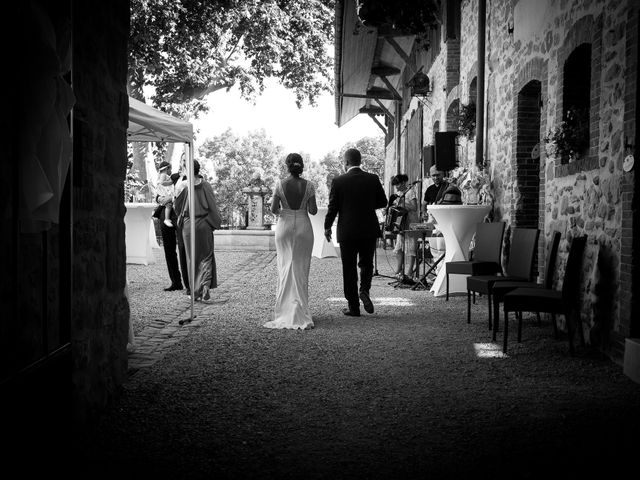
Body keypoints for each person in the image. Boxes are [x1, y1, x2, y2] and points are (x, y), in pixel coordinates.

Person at [324, 148, 388, 316]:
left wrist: (327, 226)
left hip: (348, 230)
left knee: (349, 267)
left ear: (346, 162)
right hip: (369, 228)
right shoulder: (372, 179)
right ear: (360, 161)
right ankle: (364, 290)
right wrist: (366, 204)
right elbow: (383, 201)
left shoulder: (338, 181)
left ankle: (353, 307)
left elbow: (333, 207)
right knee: (367, 264)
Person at [263, 153, 318, 330]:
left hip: (284, 227)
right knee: (301, 268)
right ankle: (300, 308)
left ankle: (285, 310)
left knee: (285, 267)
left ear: (287, 166)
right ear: (301, 166)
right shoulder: (309, 185)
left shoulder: (280, 184)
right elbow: (313, 211)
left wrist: (285, 212)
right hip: (303, 226)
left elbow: (273, 209)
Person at [174, 160, 222, 302]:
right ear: (198, 169)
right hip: (204, 224)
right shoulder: (206, 185)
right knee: (206, 256)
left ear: (186, 169)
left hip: (189, 225)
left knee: (191, 259)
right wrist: (214, 222)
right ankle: (205, 285)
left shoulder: (183, 185)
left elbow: (177, 206)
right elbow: (212, 206)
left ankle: (195, 292)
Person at [155, 164, 184, 292]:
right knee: (168, 249)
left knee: (183, 247)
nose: (184, 163)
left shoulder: (191, 177)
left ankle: (189, 282)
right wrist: (159, 198)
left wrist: (171, 198)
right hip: (165, 213)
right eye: (182, 160)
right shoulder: (173, 176)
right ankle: (176, 282)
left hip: (180, 213)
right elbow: (159, 192)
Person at [390, 174, 420, 282]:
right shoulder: (398, 194)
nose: (396, 187)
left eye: (397, 184)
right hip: (401, 224)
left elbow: (414, 207)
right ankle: (399, 269)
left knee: (411, 248)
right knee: (399, 248)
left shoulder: (411, 192)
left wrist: (402, 205)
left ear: (403, 183)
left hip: (411, 223)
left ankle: (410, 271)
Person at [156, 161, 175, 227]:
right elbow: (162, 183)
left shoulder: (162, 175)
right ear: (167, 169)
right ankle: (166, 219)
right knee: (169, 205)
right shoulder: (163, 175)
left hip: (163, 194)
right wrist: (171, 182)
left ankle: (167, 218)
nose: (171, 171)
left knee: (168, 205)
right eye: (170, 169)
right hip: (163, 194)